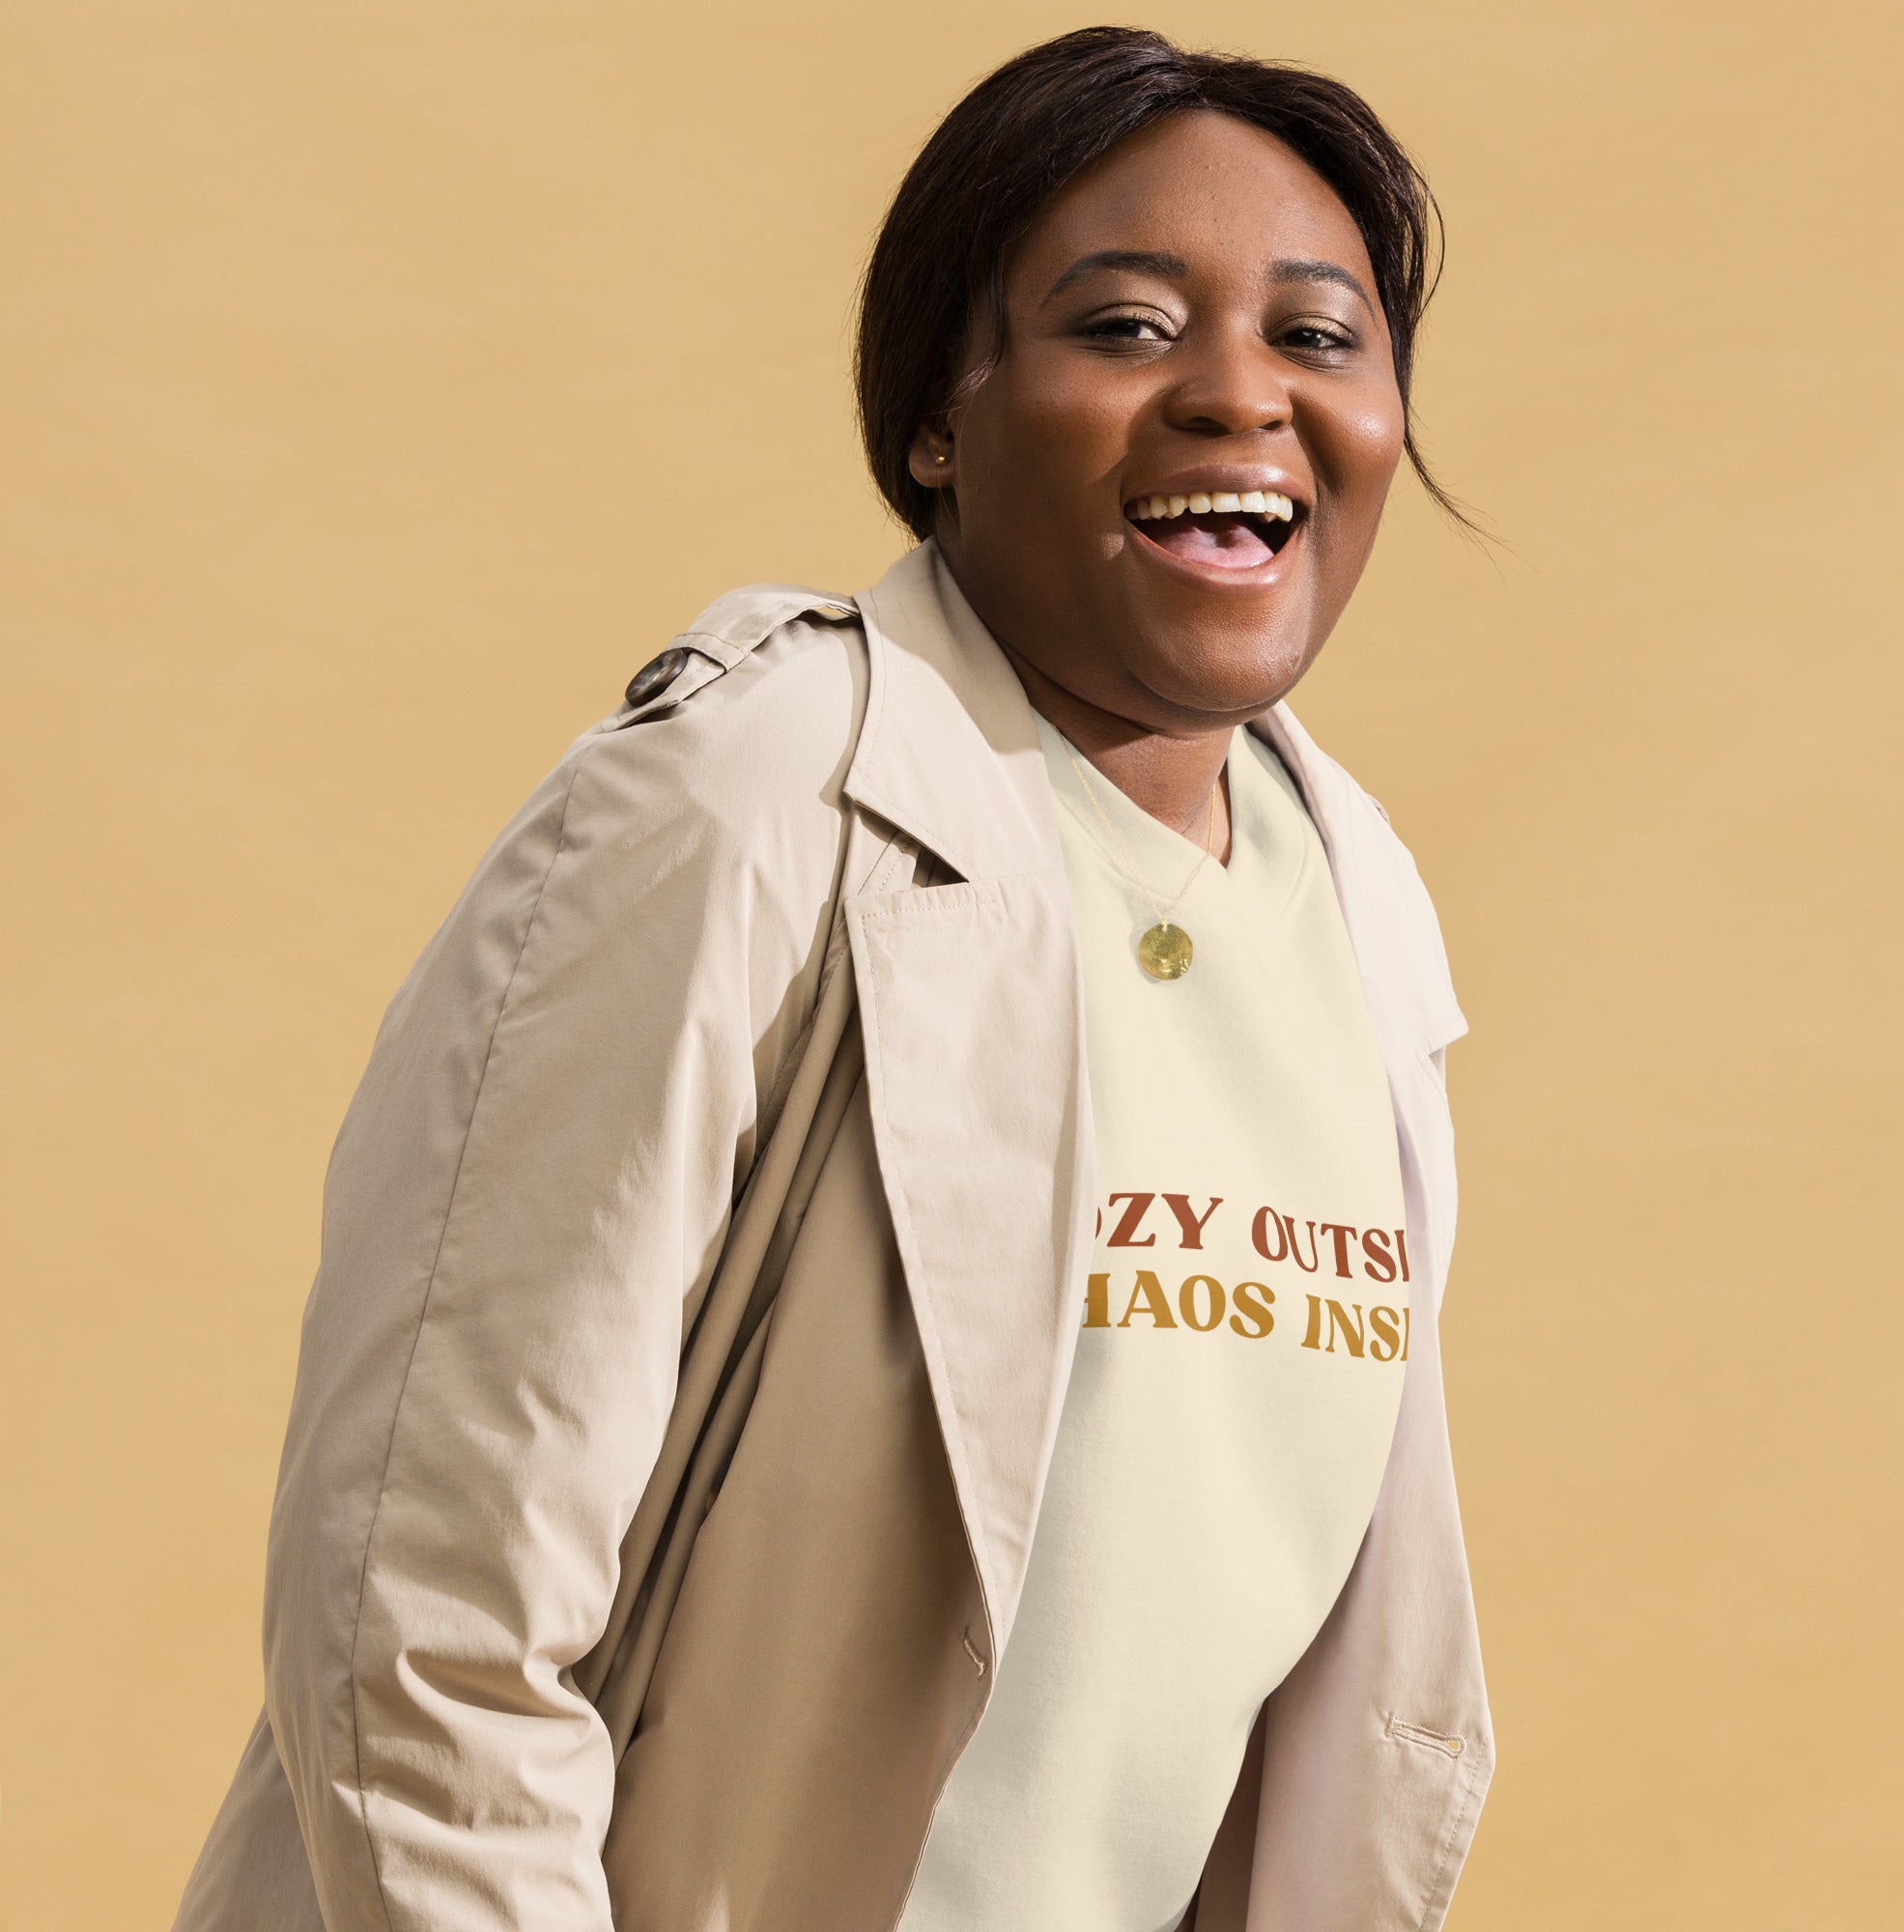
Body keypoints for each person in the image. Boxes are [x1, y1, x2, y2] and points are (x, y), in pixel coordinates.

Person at [175, 25, 1492, 1932]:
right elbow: (424, 1615)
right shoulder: (753, 793)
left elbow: (1301, 1712)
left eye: (1317, 336)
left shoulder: (1356, 901)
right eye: (1124, 326)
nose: (1237, 395)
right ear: (935, 418)